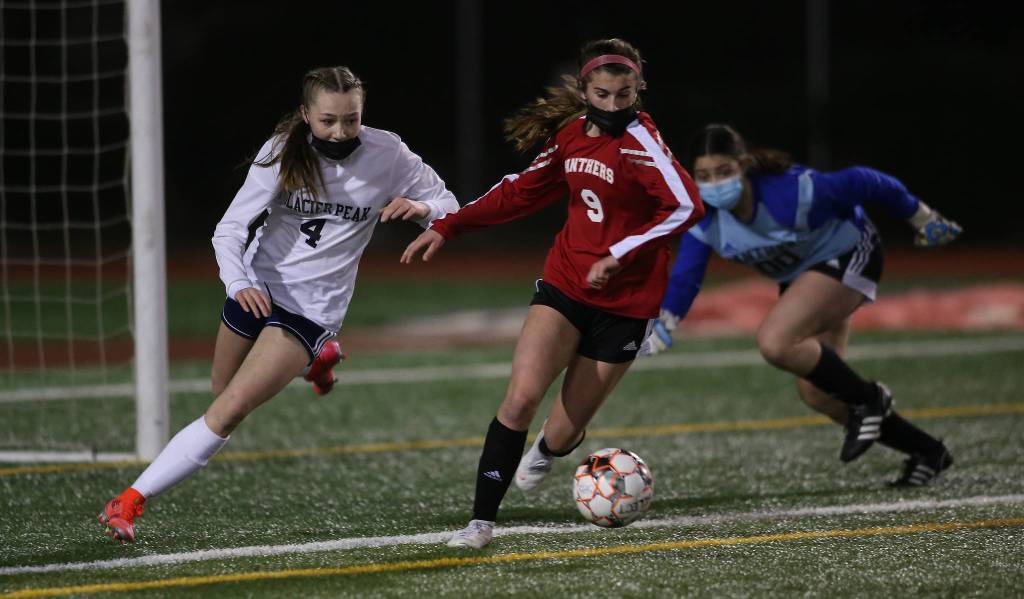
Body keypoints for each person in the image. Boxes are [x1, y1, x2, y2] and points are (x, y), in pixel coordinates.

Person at [98, 66, 459, 543]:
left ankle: (128, 501)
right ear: (307, 114)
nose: (340, 131)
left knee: (227, 413)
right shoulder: (282, 149)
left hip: (311, 312)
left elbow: (449, 202)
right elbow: (229, 228)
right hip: (258, 289)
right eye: (328, 120)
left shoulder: (387, 153)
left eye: (350, 120)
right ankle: (318, 362)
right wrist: (237, 282)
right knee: (220, 388)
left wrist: (424, 211)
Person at [402, 38, 705, 549]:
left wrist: (621, 252)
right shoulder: (569, 137)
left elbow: (686, 207)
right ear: (584, 89)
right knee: (519, 400)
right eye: (603, 94)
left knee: (562, 435)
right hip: (565, 284)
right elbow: (520, 192)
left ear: (639, 91)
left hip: (627, 307)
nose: (613, 106)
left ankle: (550, 445)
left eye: (624, 95)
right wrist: (448, 226)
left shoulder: (642, 142)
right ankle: (480, 524)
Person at [643, 123, 962, 486]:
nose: (715, 184)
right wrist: (665, 322)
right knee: (818, 392)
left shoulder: (791, 193)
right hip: (806, 275)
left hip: (850, 252)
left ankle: (871, 398)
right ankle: (927, 451)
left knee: (776, 341)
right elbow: (686, 276)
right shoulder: (704, 219)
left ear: (744, 164)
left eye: (724, 171)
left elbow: (863, 180)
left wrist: (920, 216)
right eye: (704, 176)